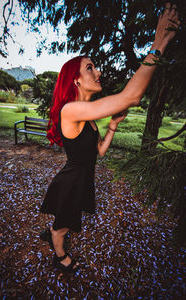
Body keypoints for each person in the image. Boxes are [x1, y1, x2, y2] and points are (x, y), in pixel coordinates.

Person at [40, 3, 180, 273]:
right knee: (64, 225)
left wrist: (113, 125)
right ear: (76, 81)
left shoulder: (88, 116)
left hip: (82, 178)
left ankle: (55, 231)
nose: (99, 71)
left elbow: (99, 151)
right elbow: (131, 96)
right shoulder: (72, 110)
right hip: (72, 181)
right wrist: (157, 43)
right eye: (90, 68)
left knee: (68, 218)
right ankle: (58, 251)